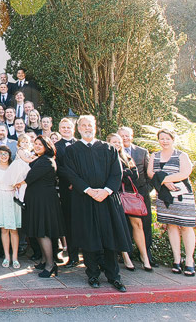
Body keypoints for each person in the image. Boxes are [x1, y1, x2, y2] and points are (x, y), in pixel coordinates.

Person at [62, 115, 131, 292]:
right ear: (78, 129)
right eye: (83, 125)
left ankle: (114, 276)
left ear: (95, 126)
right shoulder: (72, 150)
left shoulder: (108, 149)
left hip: (106, 200)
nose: (87, 128)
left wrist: (106, 191)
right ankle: (92, 274)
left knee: (109, 237)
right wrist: (88, 190)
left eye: (90, 125)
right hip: (84, 199)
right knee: (89, 237)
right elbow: (70, 174)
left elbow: (117, 173)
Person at [147, 128, 196, 276]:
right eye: (161, 138)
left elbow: (185, 173)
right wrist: (164, 183)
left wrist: (164, 180)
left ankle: (189, 260)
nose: (164, 141)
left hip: (181, 195)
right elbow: (150, 173)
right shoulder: (154, 156)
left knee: (186, 226)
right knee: (171, 225)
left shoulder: (181, 155)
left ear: (173, 139)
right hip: (164, 196)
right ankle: (176, 259)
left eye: (167, 138)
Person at [23, 136, 65, 278]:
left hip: (44, 201)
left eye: (40, 144)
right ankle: (44, 260)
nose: (37, 146)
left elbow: (29, 178)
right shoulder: (40, 159)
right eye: (35, 144)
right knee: (39, 231)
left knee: (43, 232)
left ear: (47, 146)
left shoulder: (46, 161)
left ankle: (50, 265)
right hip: (38, 199)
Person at [107, 133, 149, 272]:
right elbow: (110, 174)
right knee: (120, 225)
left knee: (137, 224)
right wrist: (125, 173)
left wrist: (122, 173)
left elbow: (135, 175)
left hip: (129, 194)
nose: (117, 144)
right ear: (108, 143)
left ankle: (145, 257)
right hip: (114, 195)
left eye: (119, 142)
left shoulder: (127, 157)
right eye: (114, 142)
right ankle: (126, 257)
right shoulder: (105, 156)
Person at [119, 126, 155, 267]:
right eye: (122, 136)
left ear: (132, 136)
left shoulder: (142, 152)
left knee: (144, 225)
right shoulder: (113, 152)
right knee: (126, 225)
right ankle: (126, 254)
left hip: (140, 195)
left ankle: (146, 254)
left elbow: (149, 173)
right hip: (122, 194)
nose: (124, 138)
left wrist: (146, 190)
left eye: (127, 135)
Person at [0, 145, 29, 268]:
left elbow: (25, 179)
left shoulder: (14, 167)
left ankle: (15, 257)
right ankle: (7, 256)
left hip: (12, 198)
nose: (4, 156)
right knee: (4, 229)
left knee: (14, 229)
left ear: (9, 155)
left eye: (6, 154)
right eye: (1, 154)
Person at [54, 117, 79, 267]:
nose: (66, 129)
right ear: (59, 129)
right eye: (63, 127)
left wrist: (77, 183)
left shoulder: (81, 144)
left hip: (82, 190)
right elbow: (58, 167)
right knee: (69, 223)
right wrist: (71, 182)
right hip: (66, 189)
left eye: (68, 127)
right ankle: (73, 256)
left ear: (73, 128)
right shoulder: (56, 146)